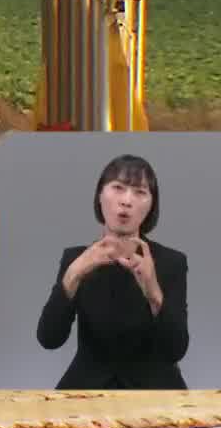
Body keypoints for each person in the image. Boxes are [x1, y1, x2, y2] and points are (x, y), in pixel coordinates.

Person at [35, 153, 190, 390]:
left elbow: (176, 350)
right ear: (100, 196)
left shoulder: (171, 262)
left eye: (140, 192)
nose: (126, 201)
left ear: (151, 206)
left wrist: (153, 291)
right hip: (88, 388)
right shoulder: (75, 259)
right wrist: (73, 274)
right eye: (118, 188)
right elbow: (49, 339)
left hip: (155, 390)